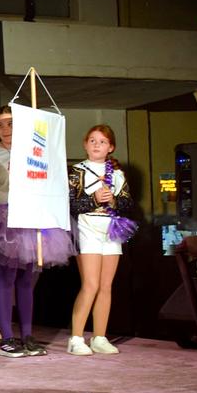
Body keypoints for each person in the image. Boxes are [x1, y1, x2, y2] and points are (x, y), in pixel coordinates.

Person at [0, 105, 74, 357]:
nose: (5, 129)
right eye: (0, 124)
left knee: (27, 280)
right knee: (6, 278)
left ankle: (28, 335)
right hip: (7, 218)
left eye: (10, 123)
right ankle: (7, 337)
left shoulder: (34, 152)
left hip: (31, 217)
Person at [67, 125, 134, 356]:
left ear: (110, 147)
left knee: (106, 286)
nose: (97, 145)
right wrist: (94, 199)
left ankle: (100, 337)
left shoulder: (118, 174)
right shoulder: (76, 172)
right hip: (86, 229)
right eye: (92, 140)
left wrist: (113, 201)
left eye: (102, 142)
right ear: (85, 144)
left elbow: (127, 203)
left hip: (111, 230)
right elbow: (71, 204)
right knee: (91, 285)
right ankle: (76, 338)